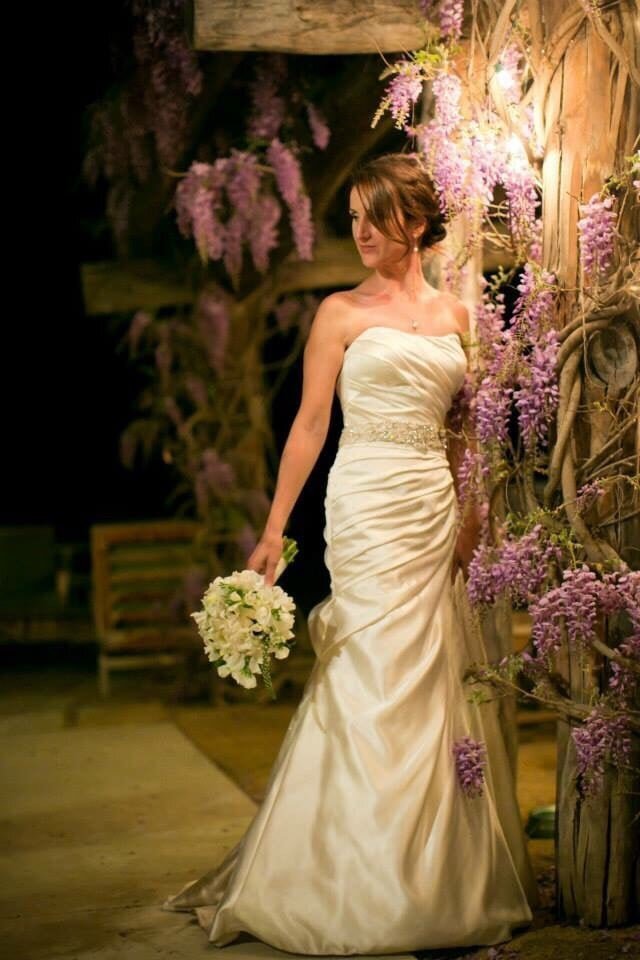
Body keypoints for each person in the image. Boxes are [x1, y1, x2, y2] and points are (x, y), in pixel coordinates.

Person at [161, 151, 539, 953]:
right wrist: (274, 531)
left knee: (434, 677)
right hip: (365, 503)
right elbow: (309, 425)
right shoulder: (338, 312)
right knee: (368, 667)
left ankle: (434, 876)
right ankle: (344, 873)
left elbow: (471, 432)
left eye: (375, 217)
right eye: (354, 218)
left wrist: (475, 515)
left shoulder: (460, 319)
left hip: (433, 507)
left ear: (415, 222)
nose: (360, 231)